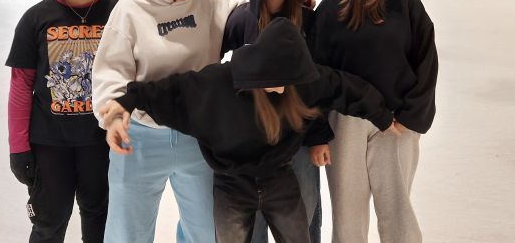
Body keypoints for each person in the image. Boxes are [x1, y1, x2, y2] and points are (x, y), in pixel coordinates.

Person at [99, 18, 397, 243]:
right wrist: (127, 101)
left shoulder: (306, 80)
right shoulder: (217, 84)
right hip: (231, 184)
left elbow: (346, 89)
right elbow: (171, 91)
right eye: (277, 79)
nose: (283, 88)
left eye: (291, 81)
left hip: (280, 177)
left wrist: (383, 117)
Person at [92, 0, 236, 243]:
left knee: (208, 231)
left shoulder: (211, 2)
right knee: (127, 234)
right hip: (139, 138)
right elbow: (111, 71)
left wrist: (292, 7)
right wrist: (114, 117)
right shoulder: (130, 10)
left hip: (198, 136)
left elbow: (250, 19)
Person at [309, 0, 438, 243]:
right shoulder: (329, 10)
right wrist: (318, 134)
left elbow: (425, 60)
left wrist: (412, 116)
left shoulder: (404, 2)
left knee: (397, 208)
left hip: (396, 122)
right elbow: (317, 76)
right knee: (348, 212)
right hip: (344, 124)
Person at [5, 0, 116, 243]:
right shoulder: (36, 18)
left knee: (100, 220)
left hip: (102, 142)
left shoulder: (119, 13)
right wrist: (18, 147)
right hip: (49, 144)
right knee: (49, 224)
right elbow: (21, 87)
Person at [221, 0, 322, 243]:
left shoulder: (307, 20)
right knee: (254, 223)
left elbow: (317, 84)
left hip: (298, 136)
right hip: (253, 140)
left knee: (303, 216)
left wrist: (318, 136)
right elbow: (217, 72)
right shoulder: (242, 19)